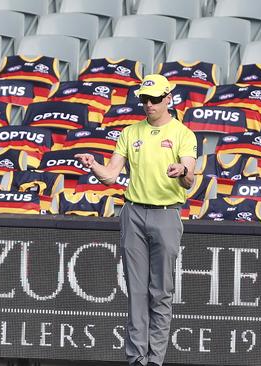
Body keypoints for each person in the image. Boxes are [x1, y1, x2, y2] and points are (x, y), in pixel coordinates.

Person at [76, 74, 197, 366]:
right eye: (144, 99)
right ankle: (137, 360)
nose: (149, 104)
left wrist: (181, 170)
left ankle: (155, 359)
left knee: (161, 292)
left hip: (166, 213)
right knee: (137, 292)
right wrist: (93, 165)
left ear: (168, 98)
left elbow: (190, 180)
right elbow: (110, 176)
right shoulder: (130, 133)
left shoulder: (183, 134)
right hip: (133, 213)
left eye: (155, 98)